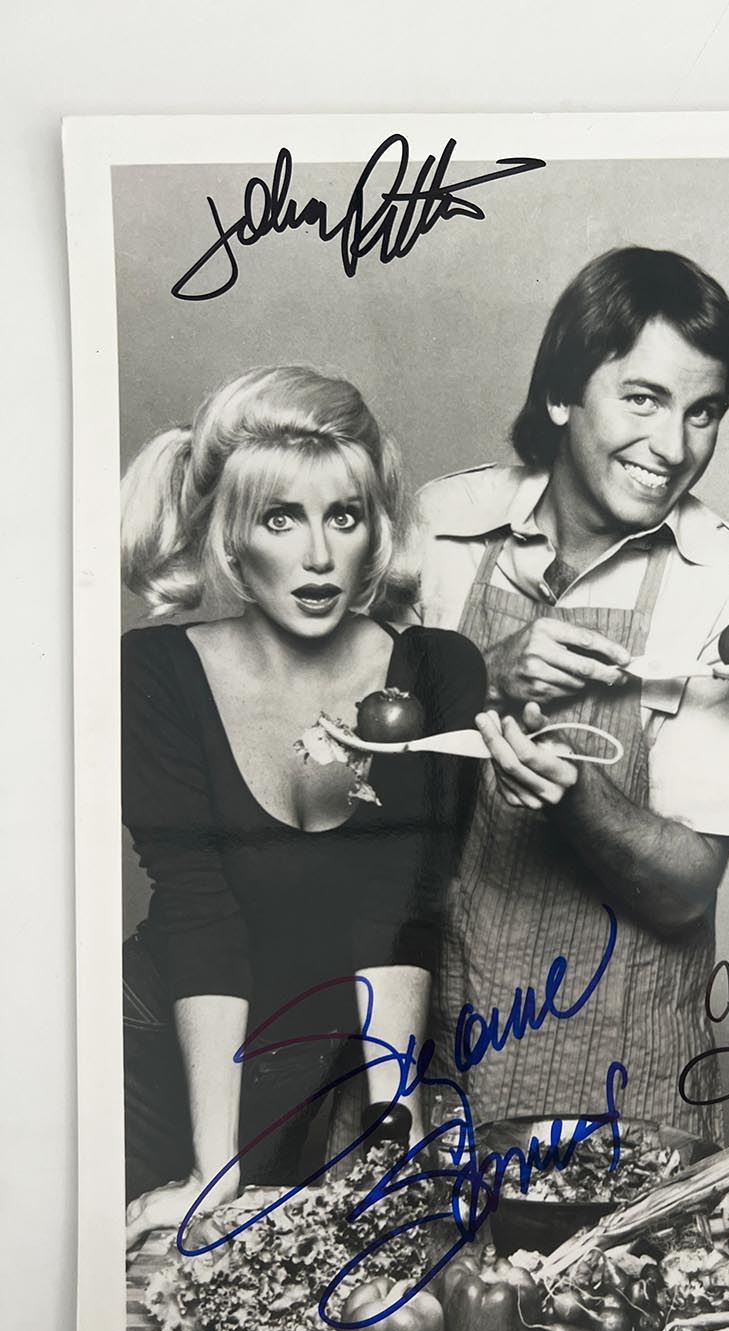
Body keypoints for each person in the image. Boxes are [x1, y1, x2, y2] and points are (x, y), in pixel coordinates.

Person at [413, 247, 729, 1138]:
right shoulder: (438, 529)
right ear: (560, 393)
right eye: (643, 399)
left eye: (703, 413)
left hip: (634, 1087)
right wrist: (474, 675)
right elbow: (351, 765)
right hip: (432, 1060)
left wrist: (574, 792)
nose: (674, 448)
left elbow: (687, 888)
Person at [121, 367, 486, 1249]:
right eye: (281, 519)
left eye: (344, 517)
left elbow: (402, 911)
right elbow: (200, 915)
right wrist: (215, 1170)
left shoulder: (438, 672)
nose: (319, 557)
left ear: (375, 531)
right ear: (231, 536)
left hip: (325, 1071)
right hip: (160, 1059)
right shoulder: (155, 673)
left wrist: (396, 1136)